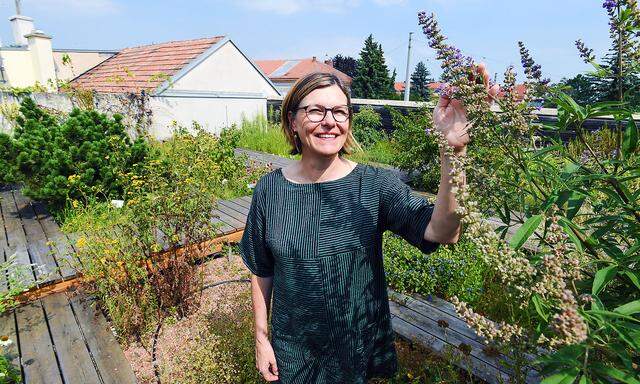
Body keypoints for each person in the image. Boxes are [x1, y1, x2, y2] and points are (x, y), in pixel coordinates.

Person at [240, 69, 498, 383]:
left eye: (339, 111)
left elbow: (443, 231)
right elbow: (261, 269)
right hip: (292, 352)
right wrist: (261, 338)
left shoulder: (374, 185)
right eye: (316, 110)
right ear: (293, 121)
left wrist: (454, 151)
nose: (329, 121)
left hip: (353, 350)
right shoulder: (270, 190)